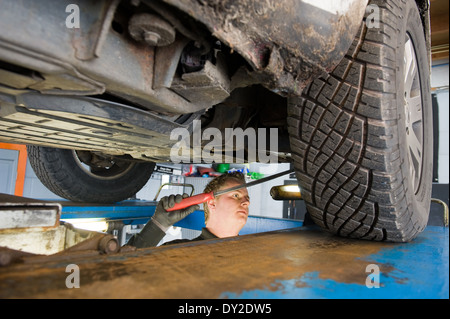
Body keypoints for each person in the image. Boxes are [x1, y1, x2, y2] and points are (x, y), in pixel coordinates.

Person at [126, 171, 250, 248]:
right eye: (236, 195)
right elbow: (126, 268)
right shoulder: (178, 251)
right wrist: (158, 225)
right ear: (212, 203)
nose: (247, 202)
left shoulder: (254, 252)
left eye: (247, 198)